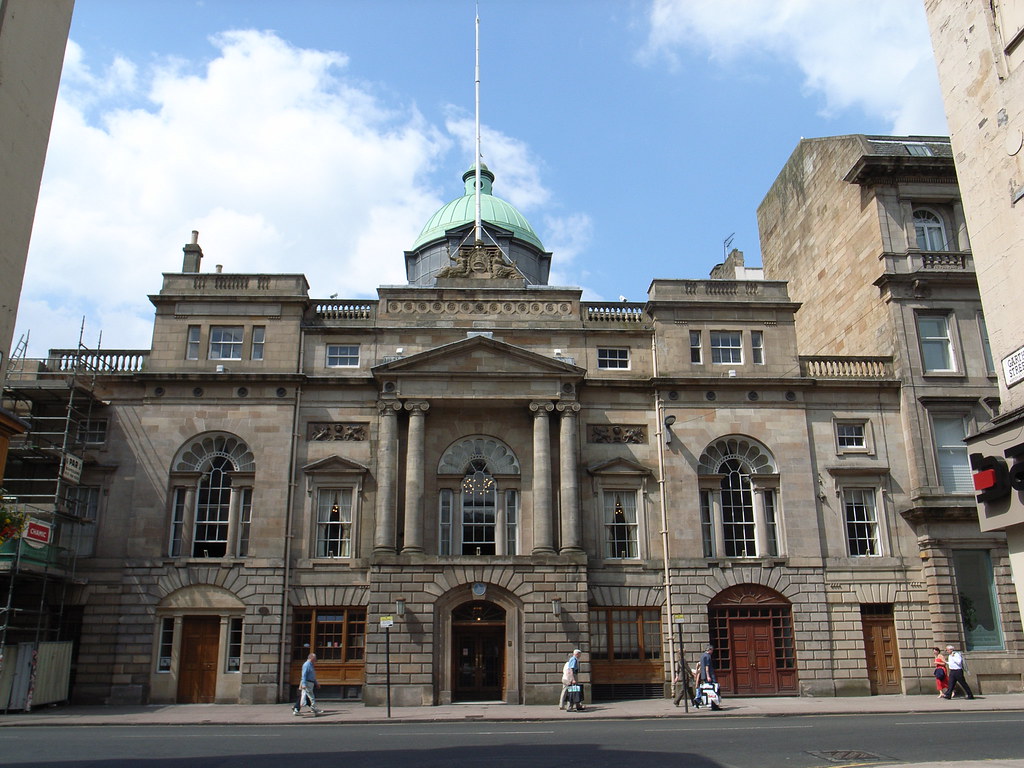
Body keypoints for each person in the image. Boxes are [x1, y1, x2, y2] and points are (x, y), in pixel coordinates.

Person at [694, 645, 719, 710]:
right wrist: (708, 676)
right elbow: (707, 667)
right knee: (713, 690)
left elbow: (699, 664)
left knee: (705, 689)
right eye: (712, 650)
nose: (712, 652)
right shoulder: (708, 656)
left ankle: (698, 700)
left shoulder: (702, 655)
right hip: (709, 675)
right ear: (710, 650)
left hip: (703, 675)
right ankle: (714, 705)